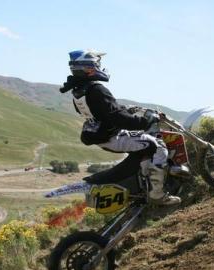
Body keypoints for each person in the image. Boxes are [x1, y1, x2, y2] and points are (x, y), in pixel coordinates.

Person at [60, 49, 181, 205]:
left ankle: (144, 182)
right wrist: (145, 122)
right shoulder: (97, 89)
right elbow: (117, 117)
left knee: (143, 147)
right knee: (157, 146)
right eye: (97, 63)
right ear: (89, 68)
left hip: (101, 135)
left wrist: (126, 110)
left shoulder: (79, 91)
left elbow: (105, 111)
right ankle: (157, 194)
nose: (100, 66)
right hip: (112, 136)